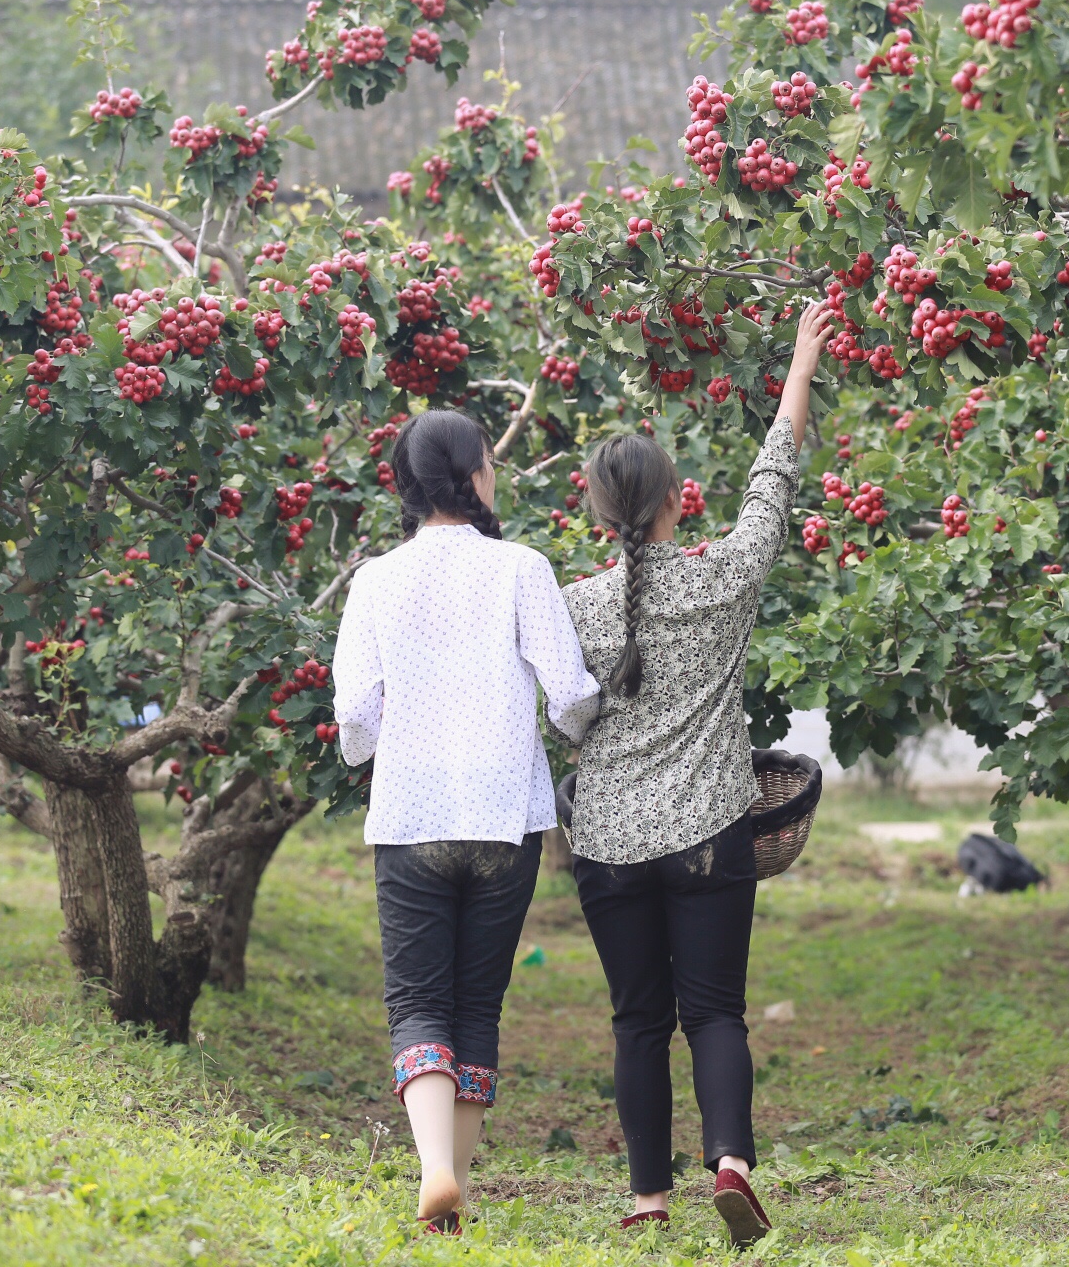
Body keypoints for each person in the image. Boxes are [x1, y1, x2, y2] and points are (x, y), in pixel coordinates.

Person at [562, 302, 837, 1247]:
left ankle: (646, 1198)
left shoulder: (572, 609)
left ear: (596, 512)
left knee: (637, 1020)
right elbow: (774, 478)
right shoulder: (726, 575)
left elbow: (557, 713)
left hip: (605, 843)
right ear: (681, 499)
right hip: (710, 835)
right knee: (716, 1012)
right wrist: (800, 363)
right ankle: (730, 1162)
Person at [332, 409, 601, 1233]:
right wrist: (587, 730)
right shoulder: (523, 568)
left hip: (412, 811)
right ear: (470, 475)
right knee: (477, 1004)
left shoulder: (375, 579)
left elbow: (354, 721)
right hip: (501, 818)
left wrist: (381, 743)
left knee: (416, 1001)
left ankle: (436, 1172)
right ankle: (460, 1190)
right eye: (488, 462)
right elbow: (572, 698)